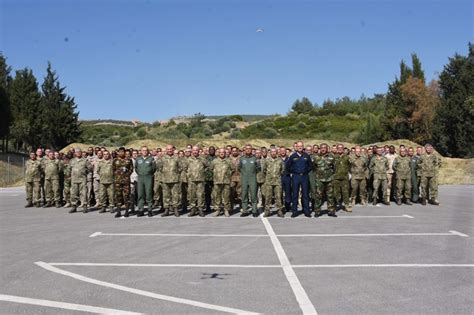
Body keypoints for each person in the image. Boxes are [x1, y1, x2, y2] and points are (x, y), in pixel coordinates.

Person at [286, 141, 313, 218]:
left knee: (305, 194)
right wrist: (294, 171)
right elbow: (288, 166)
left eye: (301, 146)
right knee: (295, 194)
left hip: (304, 177)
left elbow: (310, 166)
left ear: (303, 147)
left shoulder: (306, 156)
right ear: (296, 147)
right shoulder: (293, 156)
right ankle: (294, 211)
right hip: (296, 177)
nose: (300, 147)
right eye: (298, 146)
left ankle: (306, 211)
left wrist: (305, 171)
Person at [313, 143, 336, 217]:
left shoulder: (332, 157)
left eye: (324, 148)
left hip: (329, 179)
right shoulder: (316, 157)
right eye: (322, 148)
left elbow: (334, 168)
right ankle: (317, 211)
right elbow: (313, 167)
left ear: (327, 149)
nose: (323, 149)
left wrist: (332, 176)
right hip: (319, 180)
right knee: (318, 196)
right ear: (320, 149)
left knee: (330, 196)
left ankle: (331, 211)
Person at [158, 144, 182, 217]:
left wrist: (175, 173)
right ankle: (166, 210)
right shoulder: (163, 158)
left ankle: (175, 209)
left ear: (173, 150)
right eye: (168, 149)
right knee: (166, 195)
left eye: (171, 149)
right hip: (165, 180)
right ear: (166, 150)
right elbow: (159, 168)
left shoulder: (177, 158)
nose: (169, 150)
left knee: (175, 195)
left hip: (175, 179)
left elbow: (180, 167)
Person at [186, 146, 209, 217]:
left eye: (196, 150)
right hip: (191, 180)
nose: (195, 152)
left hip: (200, 180)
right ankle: (193, 209)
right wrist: (189, 174)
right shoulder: (188, 160)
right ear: (191, 151)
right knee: (191, 195)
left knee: (200, 195)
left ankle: (200, 209)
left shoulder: (202, 159)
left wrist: (202, 172)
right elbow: (184, 168)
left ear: (198, 151)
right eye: (194, 150)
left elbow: (208, 166)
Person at [211, 148, 234, 217]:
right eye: (220, 152)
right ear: (218, 153)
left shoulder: (228, 161)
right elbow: (211, 168)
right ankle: (217, 210)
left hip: (226, 181)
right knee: (217, 196)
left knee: (226, 196)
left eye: (223, 152)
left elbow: (233, 169)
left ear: (225, 153)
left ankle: (226, 210)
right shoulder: (214, 161)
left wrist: (228, 175)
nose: (222, 153)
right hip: (217, 181)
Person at [262, 148, 284, 217]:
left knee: (278, 196)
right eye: (272, 152)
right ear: (270, 153)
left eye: (275, 152)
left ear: (277, 152)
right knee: (268, 197)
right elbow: (264, 170)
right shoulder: (267, 161)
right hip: (269, 182)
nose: (273, 153)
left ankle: (279, 210)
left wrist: (277, 176)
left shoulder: (280, 160)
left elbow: (282, 170)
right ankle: (267, 211)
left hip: (277, 181)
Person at [239, 144, 260, 217]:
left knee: (253, 195)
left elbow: (258, 168)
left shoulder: (255, 158)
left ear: (251, 150)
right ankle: (245, 210)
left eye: (249, 149)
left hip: (252, 178)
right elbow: (239, 168)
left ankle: (254, 210)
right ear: (244, 150)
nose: (248, 150)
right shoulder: (241, 159)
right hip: (244, 179)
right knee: (244, 195)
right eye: (246, 149)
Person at [135, 146, 156, 217]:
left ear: (148, 151)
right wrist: (141, 173)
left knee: (149, 193)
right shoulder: (138, 159)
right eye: (143, 150)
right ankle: (141, 210)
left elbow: (154, 168)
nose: (145, 152)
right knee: (140, 194)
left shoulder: (151, 159)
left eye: (146, 150)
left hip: (148, 178)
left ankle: (150, 209)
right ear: (141, 151)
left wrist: (149, 173)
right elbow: (136, 168)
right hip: (140, 178)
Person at [113, 147, 133, 218]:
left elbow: (131, 169)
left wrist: (126, 175)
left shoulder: (129, 160)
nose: (121, 153)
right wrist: (117, 174)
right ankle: (118, 211)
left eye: (123, 152)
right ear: (118, 152)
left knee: (126, 196)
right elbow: (113, 169)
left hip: (126, 182)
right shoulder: (115, 160)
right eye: (120, 152)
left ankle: (127, 211)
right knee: (118, 196)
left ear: (125, 152)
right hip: (117, 181)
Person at [69, 149, 91, 213]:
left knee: (84, 193)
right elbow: (69, 168)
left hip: (82, 179)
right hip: (74, 179)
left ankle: (84, 206)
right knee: (73, 193)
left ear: (81, 153)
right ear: (75, 153)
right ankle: (74, 206)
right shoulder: (72, 160)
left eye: (79, 152)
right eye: (77, 152)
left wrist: (84, 172)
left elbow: (90, 168)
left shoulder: (85, 160)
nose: (78, 153)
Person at [333, 144, 351, 212]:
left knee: (345, 192)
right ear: (337, 149)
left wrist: (349, 174)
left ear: (343, 149)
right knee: (335, 193)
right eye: (339, 148)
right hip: (336, 178)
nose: (340, 149)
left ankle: (346, 205)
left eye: (341, 148)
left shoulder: (347, 157)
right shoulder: (334, 157)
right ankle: (334, 206)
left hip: (344, 178)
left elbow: (350, 166)